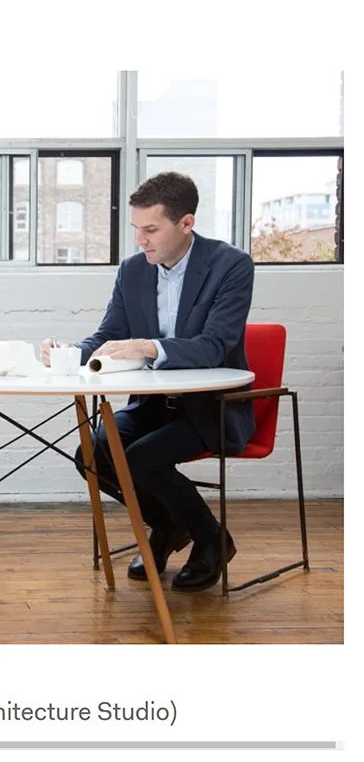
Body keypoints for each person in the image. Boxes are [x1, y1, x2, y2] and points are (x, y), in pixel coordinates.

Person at [41, 171, 255, 592]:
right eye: (138, 230)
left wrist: (148, 346)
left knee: (141, 458)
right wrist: (70, 351)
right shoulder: (134, 271)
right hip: (152, 403)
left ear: (186, 223)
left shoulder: (231, 265)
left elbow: (214, 345)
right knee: (93, 451)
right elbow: (108, 336)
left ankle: (211, 538)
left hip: (208, 407)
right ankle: (168, 523)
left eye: (151, 230)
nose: (141, 240)